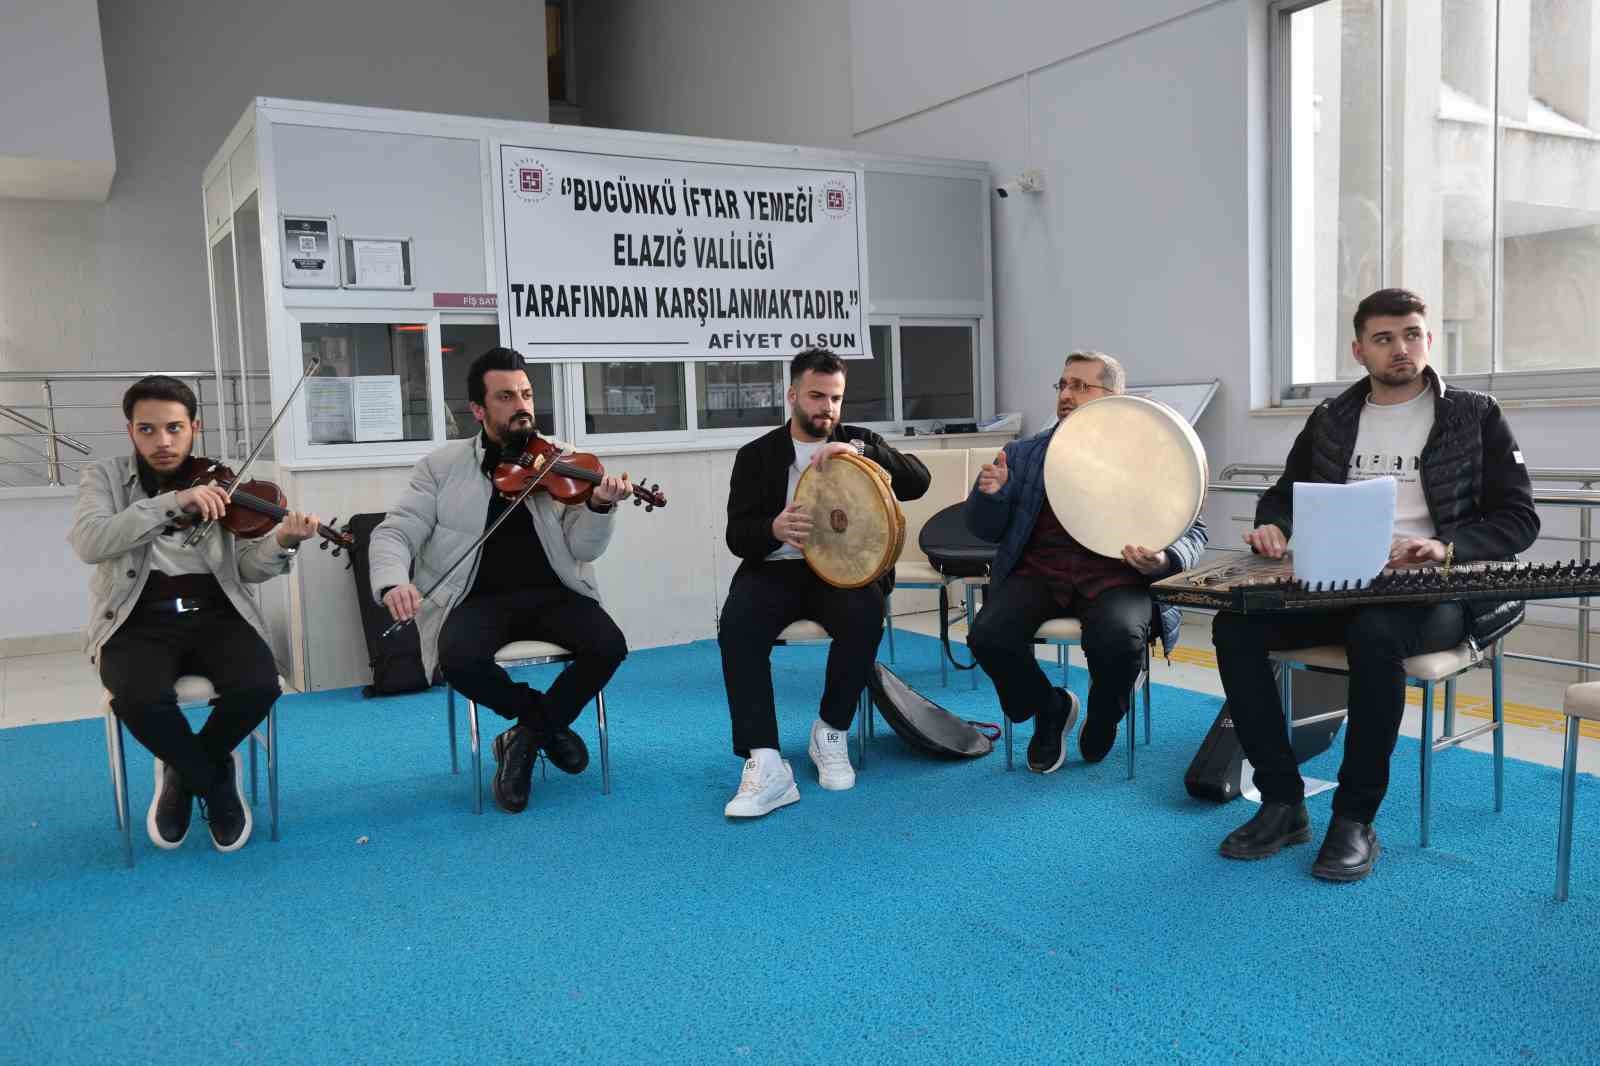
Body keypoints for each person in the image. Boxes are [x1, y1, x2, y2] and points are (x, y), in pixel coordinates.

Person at [1213, 288, 1539, 881]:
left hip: (1435, 592)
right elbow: (1284, 496)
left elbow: (1520, 519)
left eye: (1412, 334)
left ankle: (1353, 818)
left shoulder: (1475, 414)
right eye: (1385, 339)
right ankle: (1283, 801)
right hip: (1336, 581)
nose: (1401, 349)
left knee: (1375, 633)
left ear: (1428, 340)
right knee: (1233, 626)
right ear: (1359, 350)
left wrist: (1447, 546)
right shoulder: (1331, 419)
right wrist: (1272, 527)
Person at [371, 347, 630, 814]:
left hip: (555, 592)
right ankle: (540, 724)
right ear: (478, 409)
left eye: (527, 394)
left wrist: (599, 507)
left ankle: (523, 740)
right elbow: (395, 531)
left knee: (609, 646)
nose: (522, 406)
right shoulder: (441, 467)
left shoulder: (562, 461)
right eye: (507, 396)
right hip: (474, 598)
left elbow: (585, 551)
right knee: (457, 659)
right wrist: (393, 582)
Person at [70, 375, 320, 852]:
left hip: (216, 614)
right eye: (147, 429)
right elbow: (90, 542)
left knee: (261, 686)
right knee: (136, 697)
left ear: (194, 428)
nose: (162, 442)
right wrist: (173, 501)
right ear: (130, 432)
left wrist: (282, 543)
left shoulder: (221, 481)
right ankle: (215, 780)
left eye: (174, 428)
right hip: (137, 619)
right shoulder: (103, 478)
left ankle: (184, 769)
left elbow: (246, 569)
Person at [965, 351, 1208, 773]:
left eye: (1080, 386)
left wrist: (1164, 559)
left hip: (1116, 576)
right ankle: (1050, 708)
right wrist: (992, 494)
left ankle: (1102, 715)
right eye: (1062, 384)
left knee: (1118, 640)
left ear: (1115, 395)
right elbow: (984, 529)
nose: (1066, 394)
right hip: (1039, 573)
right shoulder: (1022, 455)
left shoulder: (1150, 454)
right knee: (987, 636)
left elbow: (1194, 532)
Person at [719, 348, 930, 818]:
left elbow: (919, 481)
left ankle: (831, 731)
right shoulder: (755, 456)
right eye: (816, 396)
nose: (827, 408)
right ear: (792, 395)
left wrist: (860, 453)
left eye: (835, 398)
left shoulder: (858, 441)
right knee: (737, 625)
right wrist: (771, 529)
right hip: (774, 569)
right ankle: (765, 759)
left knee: (864, 615)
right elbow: (737, 535)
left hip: (844, 572)